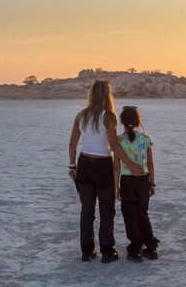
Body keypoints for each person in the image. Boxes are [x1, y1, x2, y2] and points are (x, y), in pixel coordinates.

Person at [68, 81, 143, 263]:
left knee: (87, 210)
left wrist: (72, 166)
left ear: (92, 94)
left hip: (84, 164)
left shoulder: (81, 115)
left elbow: (73, 143)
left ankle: (87, 251)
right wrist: (130, 163)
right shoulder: (108, 116)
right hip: (102, 166)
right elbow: (114, 145)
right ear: (107, 95)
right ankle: (107, 251)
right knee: (106, 210)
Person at [114, 106, 160, 262]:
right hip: (143, 181)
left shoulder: (119, 141)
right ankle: (151, 248)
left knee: (130, 216)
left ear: (121, 121)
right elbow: (151, 164)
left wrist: (116, 187)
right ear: (138, 121)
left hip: (127, 182)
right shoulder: (145, 139)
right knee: (142, 214)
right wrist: (152, 184)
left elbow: (116, 167)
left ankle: (135, 249)